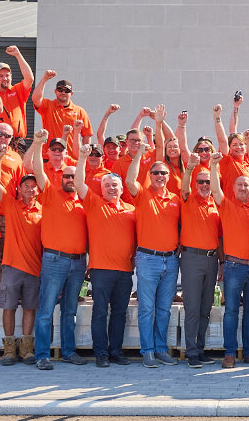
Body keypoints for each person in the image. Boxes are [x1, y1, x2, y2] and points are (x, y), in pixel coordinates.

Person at [29, 128, 89, 370]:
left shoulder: (85, 202)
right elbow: (38, 171)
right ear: (61, 178)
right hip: (55, 260)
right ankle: (42, 355)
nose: (70, 180)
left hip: (78, 262)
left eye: (73, 177)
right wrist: (38, 144)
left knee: (70, 310)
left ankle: (68, 352)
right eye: (66, 176)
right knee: (46, 309)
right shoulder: (51, 195)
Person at [75, 144, 136, 368]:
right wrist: (82, 158)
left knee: (120, 313)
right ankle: (100, 352)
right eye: (107, 185)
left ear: (121, 188)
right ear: (101, 189)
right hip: (101, 270)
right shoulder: (94, 203)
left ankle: (116, 351)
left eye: (114, 185)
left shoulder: (132, 210)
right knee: (100, 312)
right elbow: (79, 184)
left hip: (125, 271)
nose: (111, 188)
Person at [125, 136, 181, 368]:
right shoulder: (142, 194)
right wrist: (139, 154)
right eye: (155, 173)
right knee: (147, 308)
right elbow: (129, 180)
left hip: (171, 260)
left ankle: (160, 349)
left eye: (163, 173)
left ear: (168, 176)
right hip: (148, 259)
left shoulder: (176, 199)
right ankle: (147, 351)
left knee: (164, 309)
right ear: (150, 176)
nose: (159, 176)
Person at [210, 151, 249, 369]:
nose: (243, 188)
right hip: (234, 266)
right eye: (239, 185)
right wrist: (214, 166)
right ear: (233, 188)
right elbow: (215, 189)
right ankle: (230, 353)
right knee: (232, 311)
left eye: (246, 185)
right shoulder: (226, 205)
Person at [0, 142, 43, 367]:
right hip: (12, 266)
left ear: (38, 190)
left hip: (34, 268)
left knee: (30, 308)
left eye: (33, 186)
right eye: (26, 186)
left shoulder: (43, 210)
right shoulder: (10, 206)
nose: (30, 189)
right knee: (9, 307)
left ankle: (27, 348)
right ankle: (9, 348)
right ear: (19, 189)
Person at [179, 151, 222, 369]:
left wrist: (221, 262)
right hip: (192, 258)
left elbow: (220, 237)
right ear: (196, 184)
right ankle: (191, 352)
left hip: (211, 260)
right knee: (193, 308)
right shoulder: (188, 199)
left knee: (206, 308)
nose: (205, 185)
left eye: (208, 182)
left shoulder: (216, 203)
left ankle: (201, 348)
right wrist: (189, 168)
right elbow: (184, 187)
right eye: (201, 182)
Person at [32, 70, 92, 153]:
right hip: (49, 156)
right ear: (55, 92)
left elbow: (87, 135)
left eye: (67, 91)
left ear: (71, 93)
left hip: (71, 157)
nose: (63, 92)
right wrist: (44, 79)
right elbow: (35, 99)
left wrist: (86, 155)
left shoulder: (80, 111)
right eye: (60, 90)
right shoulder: (48, 105)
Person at [0, 46, 35, 138]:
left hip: (17, 141)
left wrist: (18, 55)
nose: (5, 78)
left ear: (11, 76)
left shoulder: (18, 90)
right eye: (1, 76)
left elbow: (29, 78)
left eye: (7, 75)